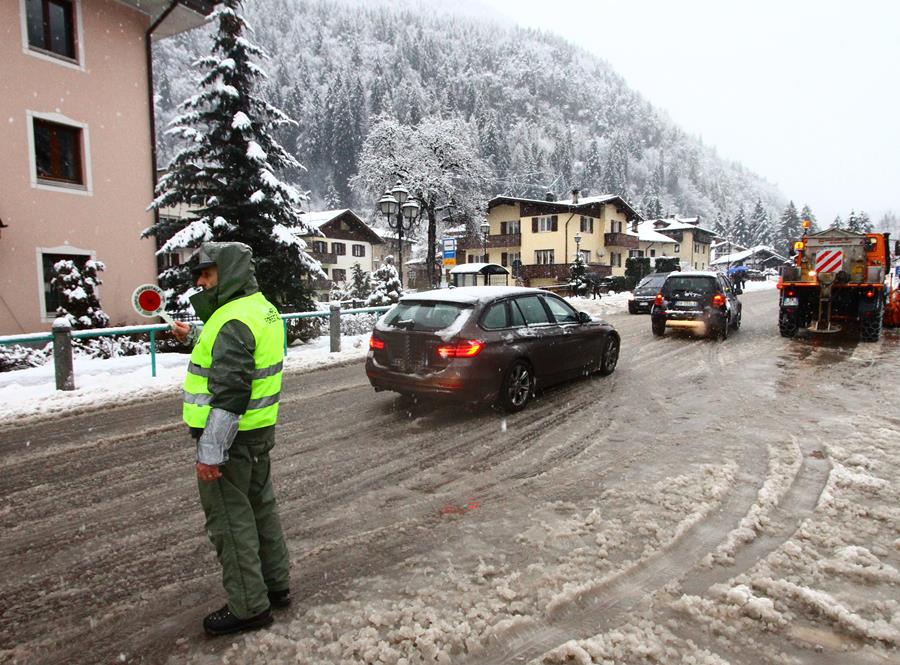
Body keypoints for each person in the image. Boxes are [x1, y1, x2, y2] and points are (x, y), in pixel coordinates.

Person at [171, 242, 291, 637]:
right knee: (260, 510)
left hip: (230, 441)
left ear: (230, 272)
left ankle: (248, 607)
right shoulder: (263, 310)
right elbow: (239, 347)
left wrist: (211, 452)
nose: (200, 281)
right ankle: (275, 586)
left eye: (207, 273)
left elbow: (230, 393)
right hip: (258, 433)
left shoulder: (231, 321)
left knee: (231, 522)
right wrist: (197, 334)